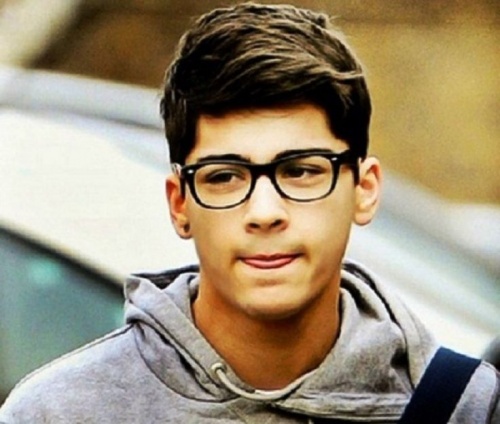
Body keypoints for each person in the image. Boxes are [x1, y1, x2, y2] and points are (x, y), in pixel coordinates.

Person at [0, 2, 498, 423]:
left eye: (300, 171)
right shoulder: (58, 412)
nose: (264, 212)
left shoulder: (470, 409)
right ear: (179, 203)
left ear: (364, 190)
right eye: (224, 176)